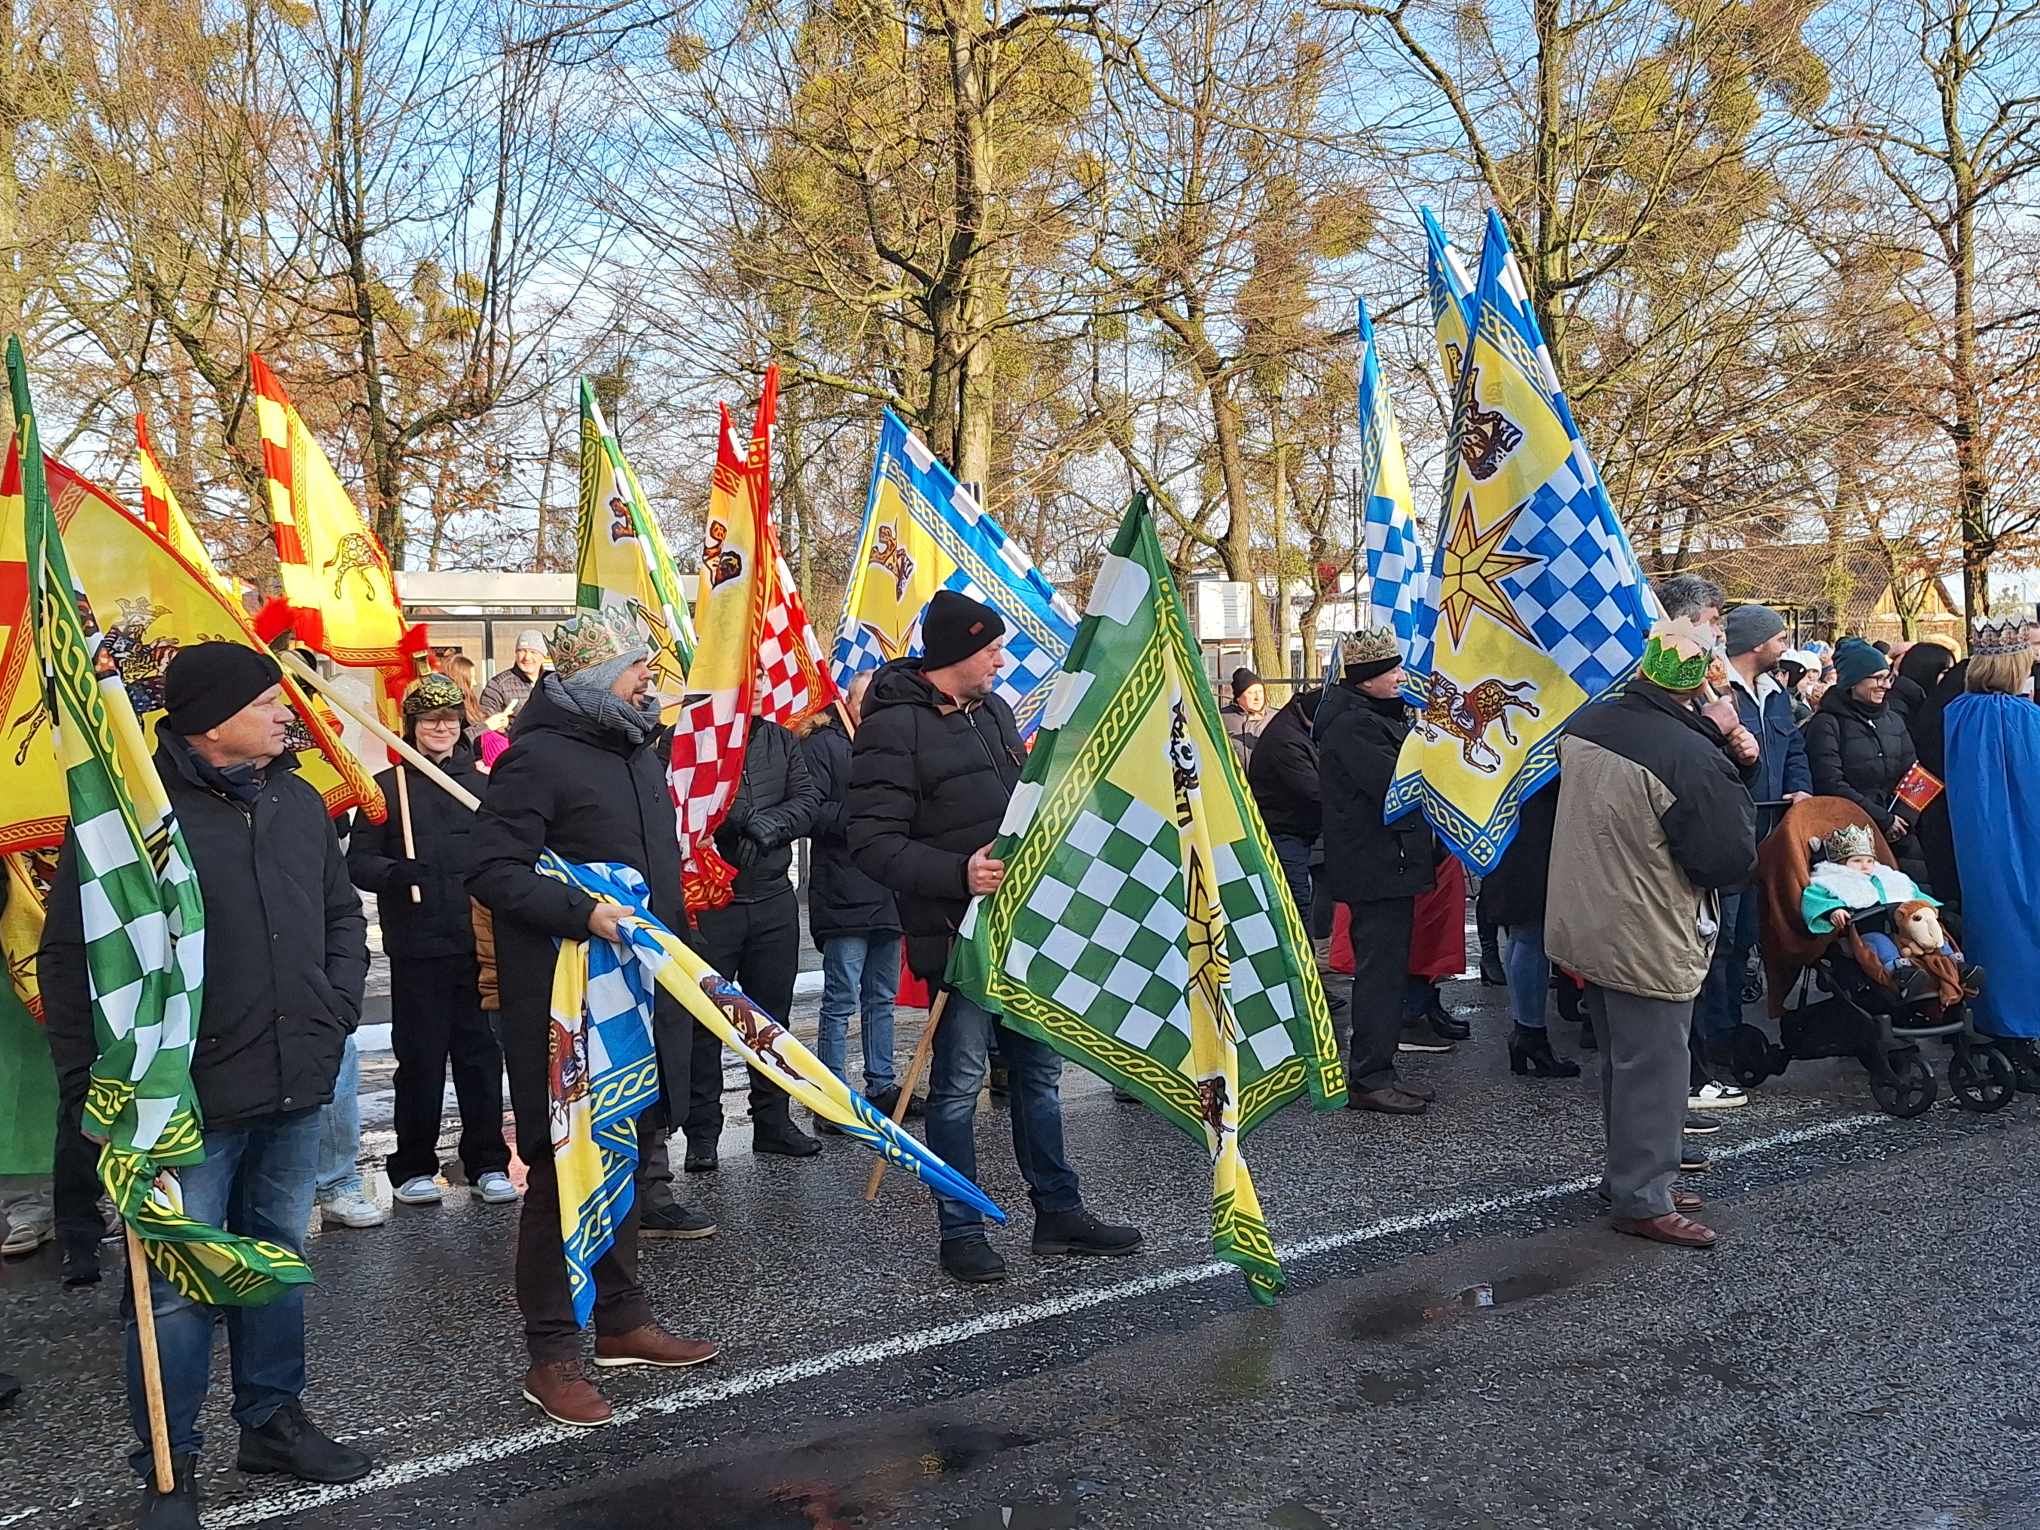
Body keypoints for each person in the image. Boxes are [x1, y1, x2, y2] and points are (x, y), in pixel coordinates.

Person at [41, 643, 376, 1525]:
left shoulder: (299, 801)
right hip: (181, 1099)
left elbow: (340, 915)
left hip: (295, 1076)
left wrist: (335, 1008)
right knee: (176, 1287)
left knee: (276, 1258)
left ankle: (272, 1422)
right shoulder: (132, 816)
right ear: (209, 721)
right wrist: (89, 1088)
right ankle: (169, 1462)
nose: (286, 712)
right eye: (266, 700)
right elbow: (74, 958)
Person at [468, 611, 719, 1429]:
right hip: (566, 1004)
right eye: (636, 666)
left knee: (630, 1147)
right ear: (595, 676)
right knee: (564, 1168)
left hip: (643, 994)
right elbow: (492, 869)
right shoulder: (536, 757)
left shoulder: (635, 747)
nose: (650, 677)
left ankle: (620, 1320)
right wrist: (584, 913)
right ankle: (551, 1356)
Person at [849, 589, 1140, 1284]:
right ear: (957, 653)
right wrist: (958, 874)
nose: (1001, 662)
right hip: (957, 938)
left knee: (1039, 1076)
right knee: (957, 1088)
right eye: (992, 650)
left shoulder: (997, 712)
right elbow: (872, 843)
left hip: (1020, 933)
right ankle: (961, 1230)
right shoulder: (893, 729)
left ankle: (1058, 1212)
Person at [1546, 618, 1758, 1250]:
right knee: (1657, 1065)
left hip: (1589, 914)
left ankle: (1630, 1178)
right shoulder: (1687, 755)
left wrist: (1704, 737)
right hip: (1647, 925)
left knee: (1624, 1059)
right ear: (1697, 685)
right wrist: (1717, 743)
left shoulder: (1590, 723)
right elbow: (1724, 857)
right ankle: (1642, 1195)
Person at [345, 674, 515, 1210]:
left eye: (449, 719)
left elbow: (510, 856)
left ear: (462, 725)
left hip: (478, 945)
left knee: (480, 1057)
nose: (440, 728)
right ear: (411, 726)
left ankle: (487, 1161)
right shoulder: (384, 788)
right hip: (416, 945)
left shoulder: (485, 787)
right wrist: (395, 874)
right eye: (428, 720)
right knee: (419, 1059)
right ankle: (413, 1165)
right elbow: (358, 862)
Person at [683, 716, 823, 1165]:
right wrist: (739, 820)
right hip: (712, 900)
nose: (756, 686)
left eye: (760, 680)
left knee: (771, 1018)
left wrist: (770, 826)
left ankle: (773, 1121)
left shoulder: (781, 740)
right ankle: (702, 1133)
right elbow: (682, 799)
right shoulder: (693, 735)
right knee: (704, 1020)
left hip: (771, 897)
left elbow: (808, 801)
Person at [1316, 628, 1443, 1115]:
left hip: (1387, 863)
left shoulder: (1371, 717)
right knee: (1379, 975)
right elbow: (1395, 784)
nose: (1401, 677)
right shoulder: (1354, 726)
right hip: (1376, 867)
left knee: (1388, 973)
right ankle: (1369, 1076)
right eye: (1392, 670)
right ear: (1366, 679)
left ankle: (1380, 1069)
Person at [1701, 604, 1812, 1075]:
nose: (1785, 646)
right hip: (1732, 834)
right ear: (1756, 643)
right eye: (1779, 638)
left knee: (1747, 936)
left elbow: (1795, 749)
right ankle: (1716, 1034)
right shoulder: (1717, 694)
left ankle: (1732, 1025)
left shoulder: (1776, 694)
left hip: (1771, 836)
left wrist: (1802, 788)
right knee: (1721, 940)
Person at [802, 675, 905, 1127]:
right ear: (847, 700)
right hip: (843, 891)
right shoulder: (823, 744)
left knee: (882, 997)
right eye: (866, 698)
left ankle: (882, 1084)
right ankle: (833, 1097)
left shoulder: (892, 743)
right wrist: (864, 818)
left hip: (888, 890)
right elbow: (810, 809)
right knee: (841, 998)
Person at [1943, 617, 2040, 1085]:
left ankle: (1997, 1025)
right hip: (2024, 838)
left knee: (1994, 925)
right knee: (2023, 928)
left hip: (1978, 842)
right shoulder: (2022, 718)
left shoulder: (1959, 713)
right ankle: (2021, 1034)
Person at [1804, 638, 1924, 881]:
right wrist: (1883, 820)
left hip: (1902, 838)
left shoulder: (1893, 721)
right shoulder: (1827, 724)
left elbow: (1913, 774)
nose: (1885, 686)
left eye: (1888, 678)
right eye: (1877, 678)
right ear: (1853, 680)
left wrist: (1903, 820)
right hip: (1851, 841)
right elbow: (1830, 783)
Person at [1479, 788, 1580, 1078]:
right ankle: (1531, 1033)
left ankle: (1525, 1029)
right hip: (1534, 827)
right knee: (1531, 931)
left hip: (1507, 820)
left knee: (1521, 932)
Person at [1246, 684, 1324, 934]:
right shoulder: (1287, 741)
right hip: (1285, 830)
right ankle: (1305, 951)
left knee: (1310, 896)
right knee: (1296, 901)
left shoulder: (1295, 727)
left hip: (1298, 827)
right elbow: (1314, 791)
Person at [477, 630, 548, 729]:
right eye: (522, 651)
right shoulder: (498, 685)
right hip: (513, 738)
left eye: (533, 652)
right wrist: (504, 725)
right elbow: (484, 721)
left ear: (543, 656)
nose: (527, 657)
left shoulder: (553, 681)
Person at [1220, 668, 1269, 763]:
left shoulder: (1275, 717)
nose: (1257, 698)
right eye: (1251, 693)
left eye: (1260, 691)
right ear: (1238, 697)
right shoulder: (1224, 717)